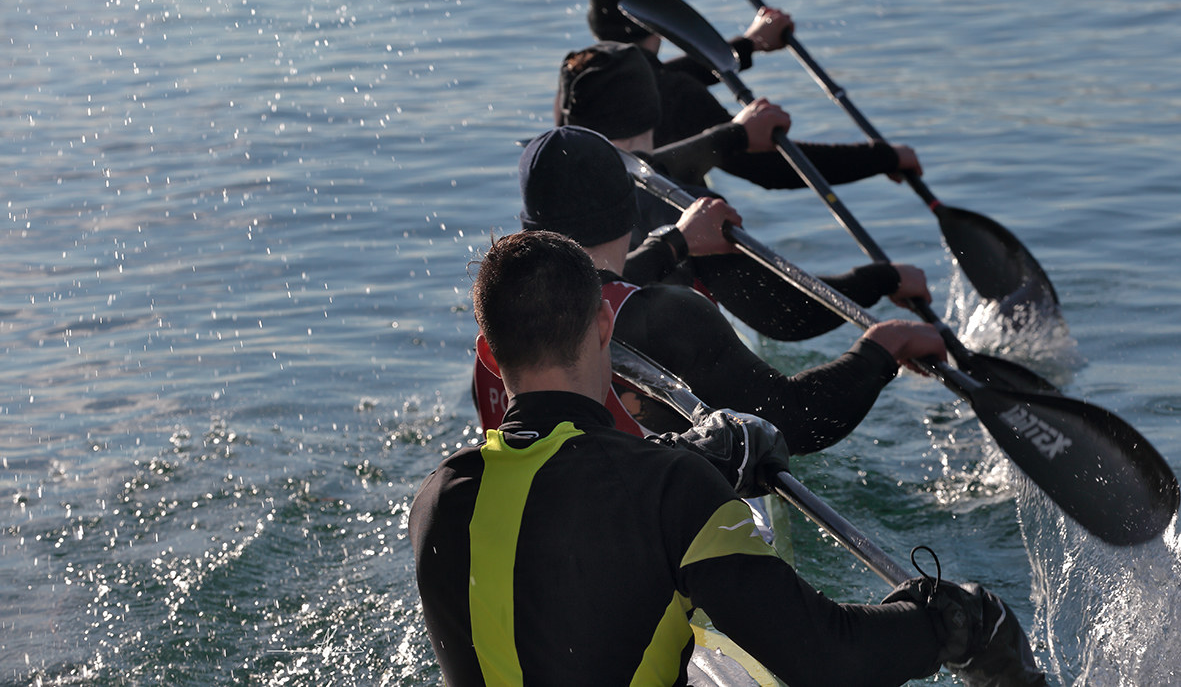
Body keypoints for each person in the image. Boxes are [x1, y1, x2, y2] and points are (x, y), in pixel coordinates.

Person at [416, 228, 1046, 685]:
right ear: (605, 329)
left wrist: (697, 459)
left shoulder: (439, 499)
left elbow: (562, 510)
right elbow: (826, 659)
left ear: (490, 356)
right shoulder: (670, 492)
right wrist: (954, 620)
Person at [475, 125, 945, 442]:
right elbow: (798, 421)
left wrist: (676, 243)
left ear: (530, 225)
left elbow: (593, 286)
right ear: (630, 213)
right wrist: (884, 347)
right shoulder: (666, 317)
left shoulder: (502, 321)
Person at [556, 39, 932, 343]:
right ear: (654, 109)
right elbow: (784, 314)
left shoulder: (547, 187)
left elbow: (647, 165)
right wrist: (884, 281)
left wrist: (745, 59)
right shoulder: (683, 211)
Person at [585, 0, 923, 187]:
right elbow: (769, 168)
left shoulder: (579, 81)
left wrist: (748, 46)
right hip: (673, 264)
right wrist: (883, 157)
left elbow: (659, 75)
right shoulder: (676, 94)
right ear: (663, 18)